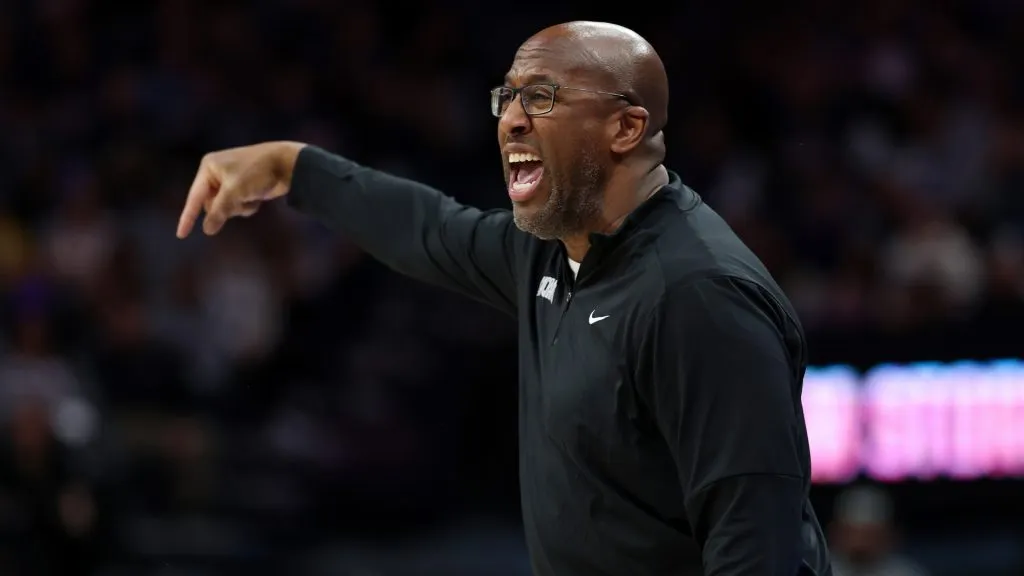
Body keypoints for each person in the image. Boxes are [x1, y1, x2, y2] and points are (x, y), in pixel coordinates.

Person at [176, 20, 832, 576]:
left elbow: (756, 547)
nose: (511, 121)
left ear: (626, 128)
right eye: (507, 98)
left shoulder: (698, 298)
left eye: (541, 98)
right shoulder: (554, 248)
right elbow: (431, 230)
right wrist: (294, 166)